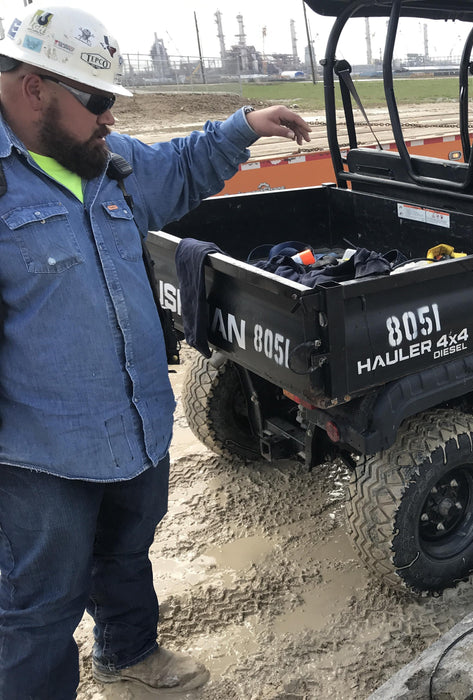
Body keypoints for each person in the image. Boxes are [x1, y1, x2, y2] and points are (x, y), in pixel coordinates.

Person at [0, 6, 311, 698]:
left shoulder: (100, 160)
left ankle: (128, 655)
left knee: (124, 554)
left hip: (134, 424)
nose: (110, 119)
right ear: (35, 88)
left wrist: (241, 129)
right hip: (39, 459)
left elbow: (174, 171)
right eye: (99, 101)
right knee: (34, 614)